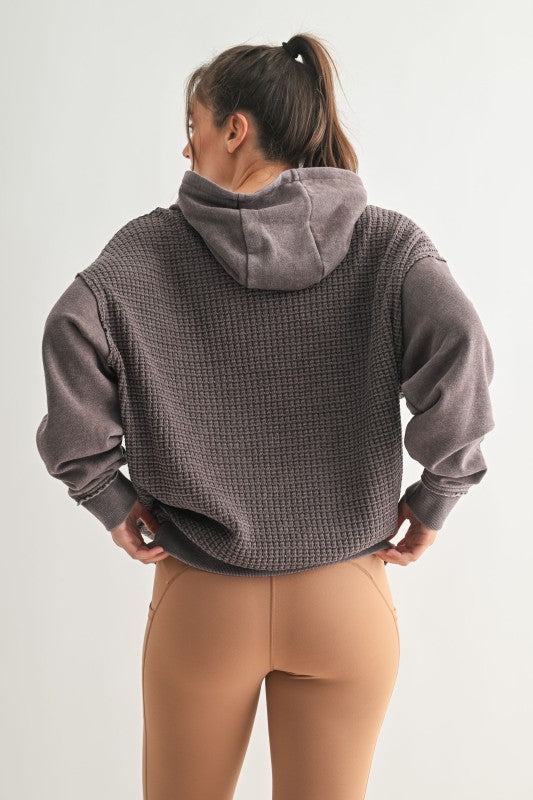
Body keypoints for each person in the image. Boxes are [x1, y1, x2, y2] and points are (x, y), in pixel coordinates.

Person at [35, 32, 495, 800]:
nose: (186, 148)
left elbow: (69, 331)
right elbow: (463, 347)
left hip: (202, 600)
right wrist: (436, 495)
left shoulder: (144, 252)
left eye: (193, 126)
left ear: (234, 130)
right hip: (345, 596)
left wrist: (105, 495)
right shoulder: (387, 246)